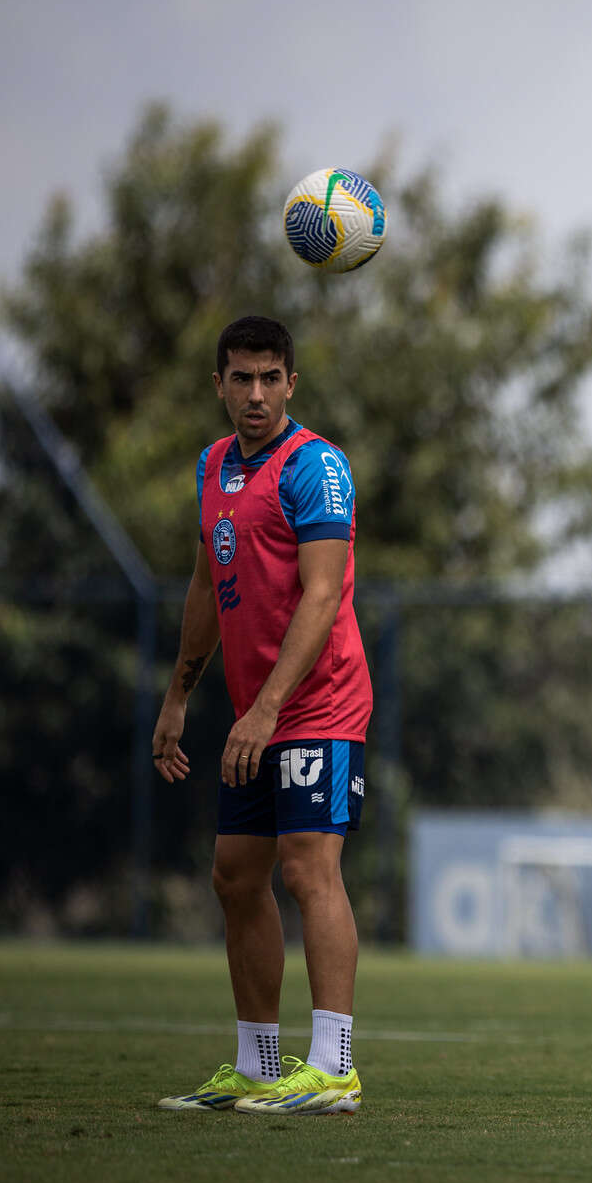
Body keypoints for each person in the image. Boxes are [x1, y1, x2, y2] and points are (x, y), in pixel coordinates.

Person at [151, 314, 373, 1116]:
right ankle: (255, 1063)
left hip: (318, 699)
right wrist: (181, 693)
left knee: (308, 867)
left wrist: (270, 708)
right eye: (240, 378)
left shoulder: (316, 466)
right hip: (257, 708)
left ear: (290, 383)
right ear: (218, 385)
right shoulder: (212, 466)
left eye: (269, 377)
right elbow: (208, 587)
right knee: (235, 874)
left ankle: (335, 1066)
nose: (255, 393)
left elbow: (321, 595)